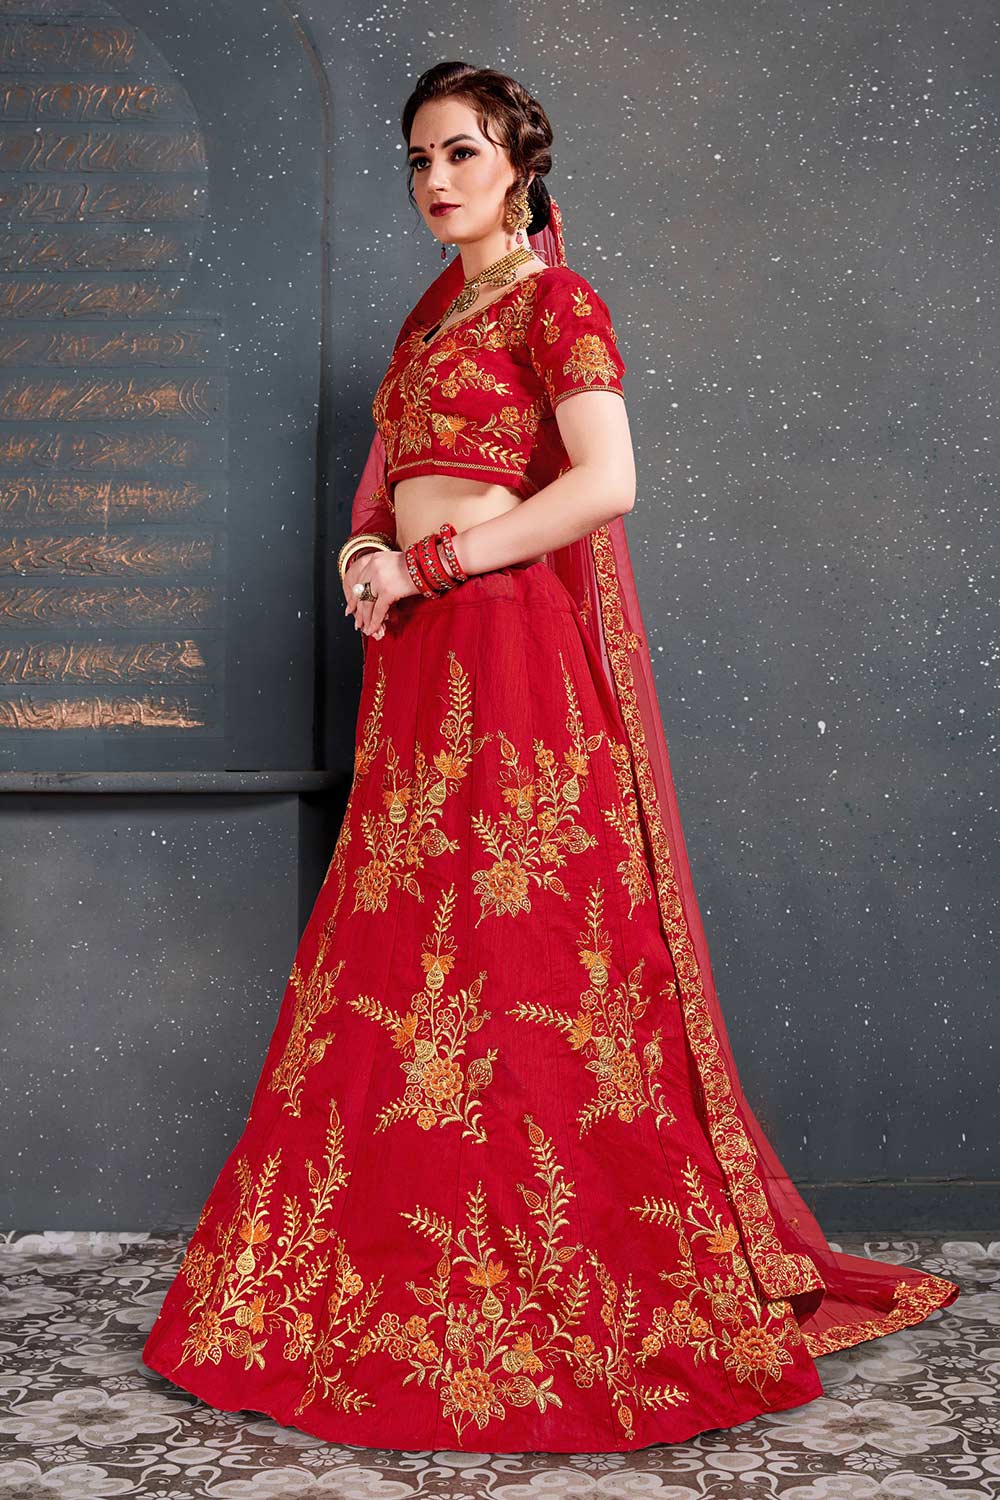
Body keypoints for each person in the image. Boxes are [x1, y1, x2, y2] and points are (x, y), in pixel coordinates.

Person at [141, 62, 959, 1453]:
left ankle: (553, 1280)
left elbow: (605, 482)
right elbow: (384, 486)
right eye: (417, 160)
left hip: (510, 656)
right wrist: (366, 554)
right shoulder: (430, 323)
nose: (435, 180)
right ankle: (407, 1266)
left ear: (521, 164)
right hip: (420, 663)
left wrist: (433, 562)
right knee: (407, 960)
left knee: (521, 958)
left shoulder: (556, 303)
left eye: (461, 153)